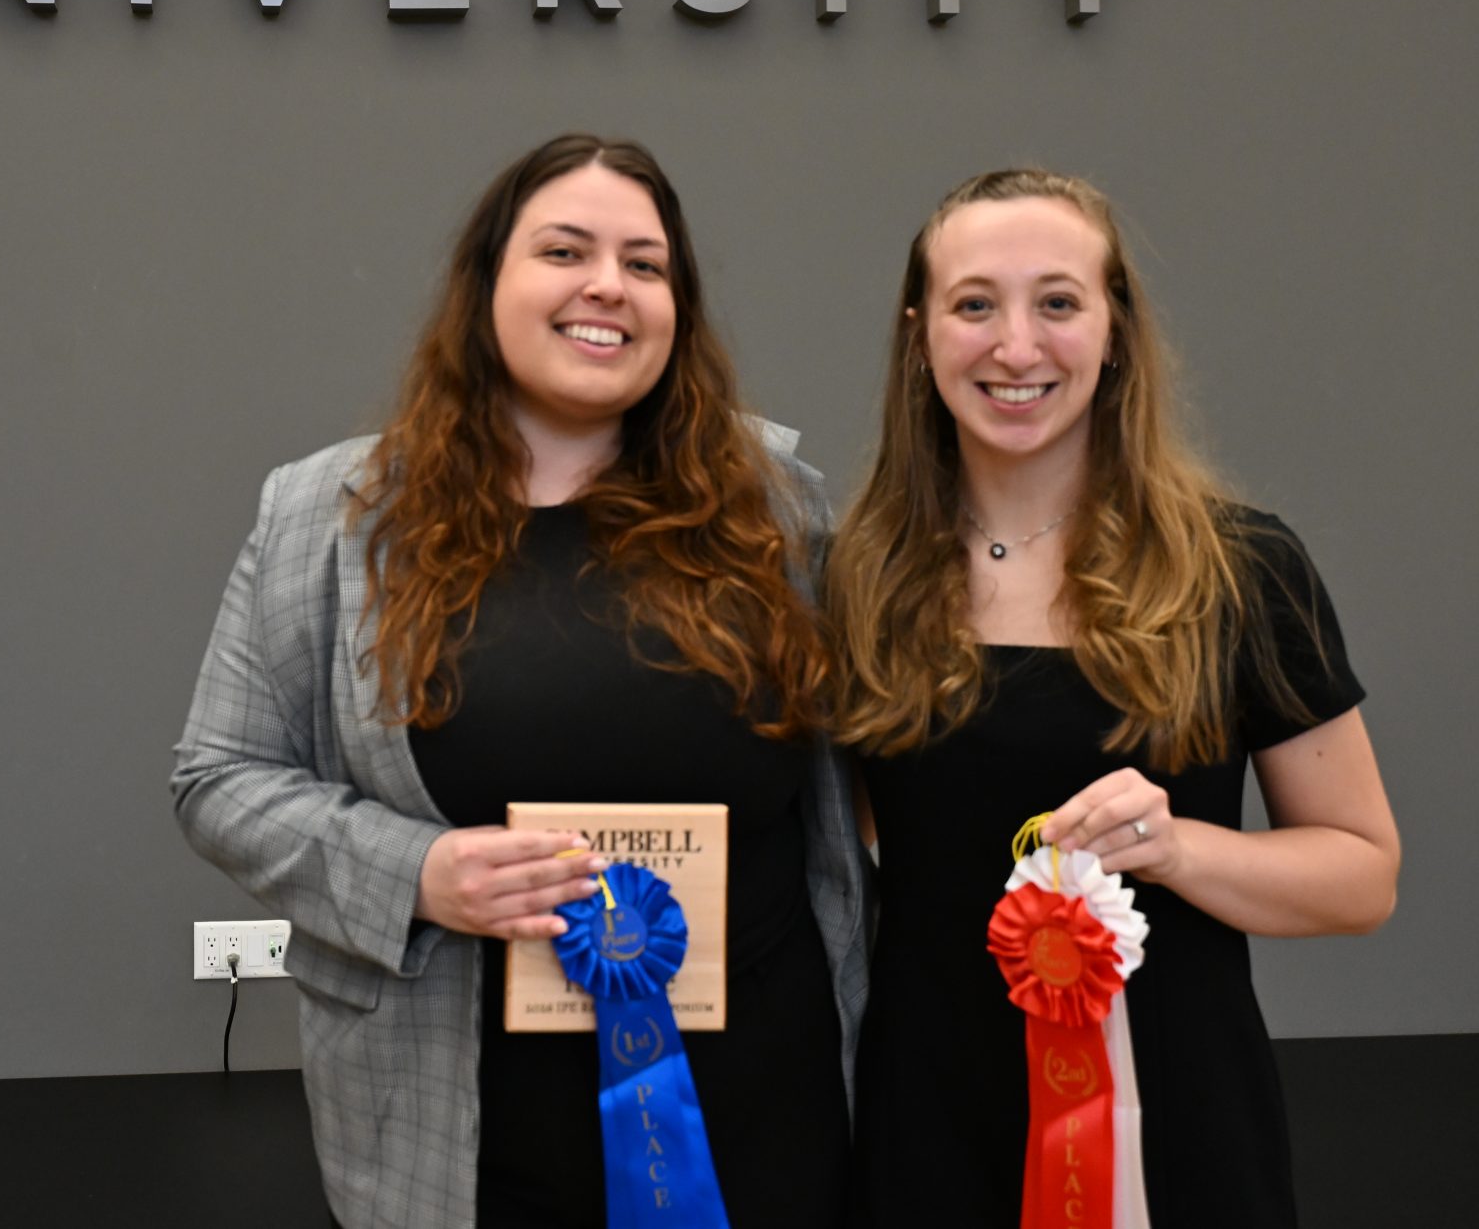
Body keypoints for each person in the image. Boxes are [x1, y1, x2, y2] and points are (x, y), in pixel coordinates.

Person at [173, 134, 868, 1229]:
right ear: (486, 281)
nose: (608, 286)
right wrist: (418, 873)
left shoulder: (778, 505)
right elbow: (219, 776)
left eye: (646, 265)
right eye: (564, 250)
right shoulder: (325, 516)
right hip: (458, 1133)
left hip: (766, 1116)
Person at [820, 168, 1400, 1229]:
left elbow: (1361, 877)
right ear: (919, 337)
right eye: (973, 304)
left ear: (1116, 328)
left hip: (1175, 1138)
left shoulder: (1238, 568)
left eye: (1056, 301)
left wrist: (1180, 848)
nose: (1015, 346)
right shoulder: (853, 579)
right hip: (921, 1135)